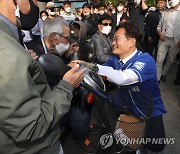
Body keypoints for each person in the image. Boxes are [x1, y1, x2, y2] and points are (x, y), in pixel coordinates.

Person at [0, 1, 86, 154]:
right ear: (54, 36)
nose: (36, 5)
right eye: (66, 38)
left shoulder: (11, 46)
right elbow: (30, 127)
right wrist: (67, 86)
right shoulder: (7, 54)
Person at [73, 21, 167, 152]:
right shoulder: (114, 59)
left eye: (117, 38)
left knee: (156, 145)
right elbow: (101, 72)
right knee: (126, 142)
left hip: (149, 109)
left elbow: (123, 78)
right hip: (126, 106)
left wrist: (94, 66)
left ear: (131, 41)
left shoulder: (146, 60)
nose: (113, 42)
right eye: (113, 39)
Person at [156, 0, 180, 82]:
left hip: (175, 41)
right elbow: (159, 26)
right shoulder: (165, 12)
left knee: (170, 59)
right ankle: (157, 77)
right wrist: (160, 33)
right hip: (164, 39)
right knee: (159, 59)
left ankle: (163, 73)